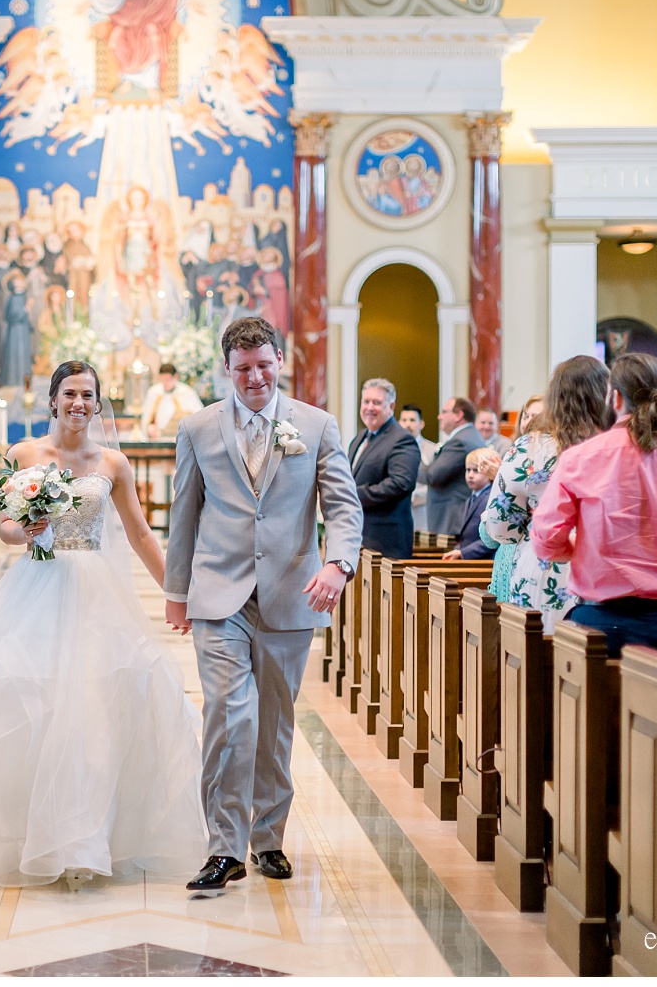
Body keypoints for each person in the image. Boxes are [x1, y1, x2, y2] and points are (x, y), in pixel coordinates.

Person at [0, 361, 206, 889]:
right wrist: (26, 528)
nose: (79, 403)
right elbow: (3, 529)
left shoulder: (112, 463)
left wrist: (176, 593)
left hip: (93, 591)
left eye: (88, 395)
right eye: (70, 393)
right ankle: (26, 835)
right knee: (30, 704)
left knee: (95, 710)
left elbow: (139, 535)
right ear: (52, 400)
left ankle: (86, 838)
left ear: (96, 402)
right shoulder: (24, 455)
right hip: (38, 587)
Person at [165, 317, 363, 894]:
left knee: (275, 722)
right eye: (242, 368)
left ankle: (268, 836)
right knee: (230, 714)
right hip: (219, 595)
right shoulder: (198, 427)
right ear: (227, 370)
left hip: (290, 593)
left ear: (280, 360)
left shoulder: (318, 426)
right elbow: (184, 517)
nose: (255, 377)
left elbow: (344, 508)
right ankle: (223, 848)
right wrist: (178, 595)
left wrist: (337, 563)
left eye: (263, 365)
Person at [532, 353, 657, 657]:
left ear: (615, 398)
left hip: (600, 624)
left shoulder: (581, 457)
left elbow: (546, 541)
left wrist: (584, 548)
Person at [482, 360, 608, 627]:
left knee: (537, 652)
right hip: (602, 568)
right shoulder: (617, 443)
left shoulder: (531, 447)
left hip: (543, 565)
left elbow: (500, 526)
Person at [348, 377, 419, 559]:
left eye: (377, 403)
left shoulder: (402, 439)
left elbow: (401, 483)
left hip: (385, 542)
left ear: (392, 407)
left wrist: (353, 494)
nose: (370, 407)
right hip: (357, 536)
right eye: (366, 402)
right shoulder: (360, 437)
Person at [419, 397, 486, 534]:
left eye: (444, 412)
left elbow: (432, 476)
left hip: (451, 519)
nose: (439, 416)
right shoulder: (470, 435)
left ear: (458, 415)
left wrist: (411, 457)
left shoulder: (460, 441)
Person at [442, 447, 500, 561]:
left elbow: (493, 537)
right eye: (468, 470)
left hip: (485, 560)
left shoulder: (492, 497)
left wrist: (464, 552)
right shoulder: (472, 497)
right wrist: (459, 549)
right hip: (472, 558)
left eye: (476, 470)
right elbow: (466, 536)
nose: (470, 475)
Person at [398, 403, 437, 531]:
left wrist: (417, 496)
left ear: (421, 424)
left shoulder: (433, 450)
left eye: (412, 420)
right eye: (404, 420)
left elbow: (435, 481)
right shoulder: (393, 450)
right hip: (398, 510)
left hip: (423, 510)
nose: (408, 424)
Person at [141, 362, 203, 440]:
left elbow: (198, 417)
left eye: (167, 380)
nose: (165, 383)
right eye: (162, 380)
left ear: (175, 377)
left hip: (181, 439)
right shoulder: (154, 392)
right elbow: (147, 419)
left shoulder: (186, 393)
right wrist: (149, 429)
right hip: (159, 439)